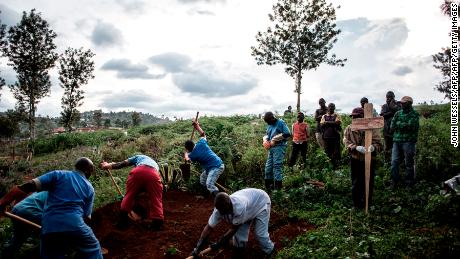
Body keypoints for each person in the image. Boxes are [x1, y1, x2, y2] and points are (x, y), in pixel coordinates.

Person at [0, 157, 103, 259]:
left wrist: (2, 203)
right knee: (92, 247)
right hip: (73, 223)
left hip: (49, 226)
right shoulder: (89, 188)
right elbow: (86, 217)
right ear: (88, 171)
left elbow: (27, 186)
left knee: (50, 251)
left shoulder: (58, 174)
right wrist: (84, 233)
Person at [191, 189, 275, 258]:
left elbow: (234, 228)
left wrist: (219, 244)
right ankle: (240, 252)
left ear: (229, 204)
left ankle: (270, 251)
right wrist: (198, 248)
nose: (222, 213)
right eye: (221, 211)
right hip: (248, 206)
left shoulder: (239, 207)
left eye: (225, 211)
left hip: (261, 202)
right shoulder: (218, 210)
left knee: (260, 234)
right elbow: (209, 227)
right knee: (239, 240)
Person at [101, 154, 164, 230]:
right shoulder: (155, 165)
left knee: (129, 196)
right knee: (156, 199)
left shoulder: (138, 157)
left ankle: (122, 222)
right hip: (154, 175)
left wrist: (108, 166)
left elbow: (122, 164)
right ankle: (157, 223)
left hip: (138, 172)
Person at [343, 108, 382, 208]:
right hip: (355, 158)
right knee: (356, 182)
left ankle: (367, 204)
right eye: (353, 117)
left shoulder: (372, 128)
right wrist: (355, 147)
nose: (354, 119)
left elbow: (379, 143)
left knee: (368, 182)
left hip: (369, 160)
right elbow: (345, 141)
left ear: (363, 118)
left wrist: (373, 147)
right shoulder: (349, 128)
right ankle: (356, 205)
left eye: (357, 117)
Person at [184, 119, 225, 197]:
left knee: (209, 184)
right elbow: (203, 134)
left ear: (189, 149)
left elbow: (187, 159)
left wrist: (186, 153)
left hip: (216, 166)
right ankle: (208, 195)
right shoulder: (201, 143)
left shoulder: (193, 155)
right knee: (202, 180)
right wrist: (197, 126)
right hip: (211, 167)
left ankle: (220, 199)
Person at [1, 191, 47, 258]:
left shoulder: (45, 190)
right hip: (31, 211)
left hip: (17, 209)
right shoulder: (61, 195)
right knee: (54, 234)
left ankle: (6, 255)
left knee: (18, 239)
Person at [390, 96, 420, 187]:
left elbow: (412, 126)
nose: (401, 104)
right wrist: (403, 124)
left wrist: (399, 124)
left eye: (404, 103)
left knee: (409, 163)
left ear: (409, 104)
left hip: (409, 141)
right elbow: (392, 126)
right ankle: (395, 182)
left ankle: (409, 183)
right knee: (394, 162)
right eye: (401, 103)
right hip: (397, 141)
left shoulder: (414, 114)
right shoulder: (398, 113)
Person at [263, 112, 291, 191]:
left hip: (279, 147)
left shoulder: (280, 123)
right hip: (271, 148)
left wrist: (274, 139)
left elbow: (287, 133)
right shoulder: (270, 124)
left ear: (272, 118)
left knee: (277, 166)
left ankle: (278, 189)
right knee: (268, 167)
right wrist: (265, 140)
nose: (268, 123)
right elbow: (267, 135)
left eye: (268, 121)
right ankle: (269, 187)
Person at [380, 91, 401, 163]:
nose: (388, 99)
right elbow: (382, 115)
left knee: (397, 148)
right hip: (387, 131)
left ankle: (397, 162)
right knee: (387, 148)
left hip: (396, 132)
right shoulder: (384, 106)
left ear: (393, 97)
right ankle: (387, 163)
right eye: (387, 97)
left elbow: (399, 112)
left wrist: (392, 107)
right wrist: (392, 113)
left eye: (390, 97)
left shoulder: (398, 104)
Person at [320, 103, 342, 168]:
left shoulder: (337, 115)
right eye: (330, 106)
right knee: (327, 152)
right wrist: (333, 123)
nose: (331, 108)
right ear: (328, 108)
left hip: (335, 137)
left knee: (336, 152)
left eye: (332, 107)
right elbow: (322, 124)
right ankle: (330, 166)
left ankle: (336, 166)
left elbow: (338, 123)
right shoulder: (324, 116)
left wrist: (327, 122)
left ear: (334, 108)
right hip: (326, 137)